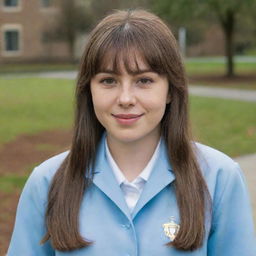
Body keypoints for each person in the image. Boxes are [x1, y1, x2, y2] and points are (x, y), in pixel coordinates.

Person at [7, 9, 256, 256]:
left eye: (144, 80)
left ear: (171, 90)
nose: (125, 98)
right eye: (108, 81)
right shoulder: (47, 182)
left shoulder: (219, 178)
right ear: (89, 90)